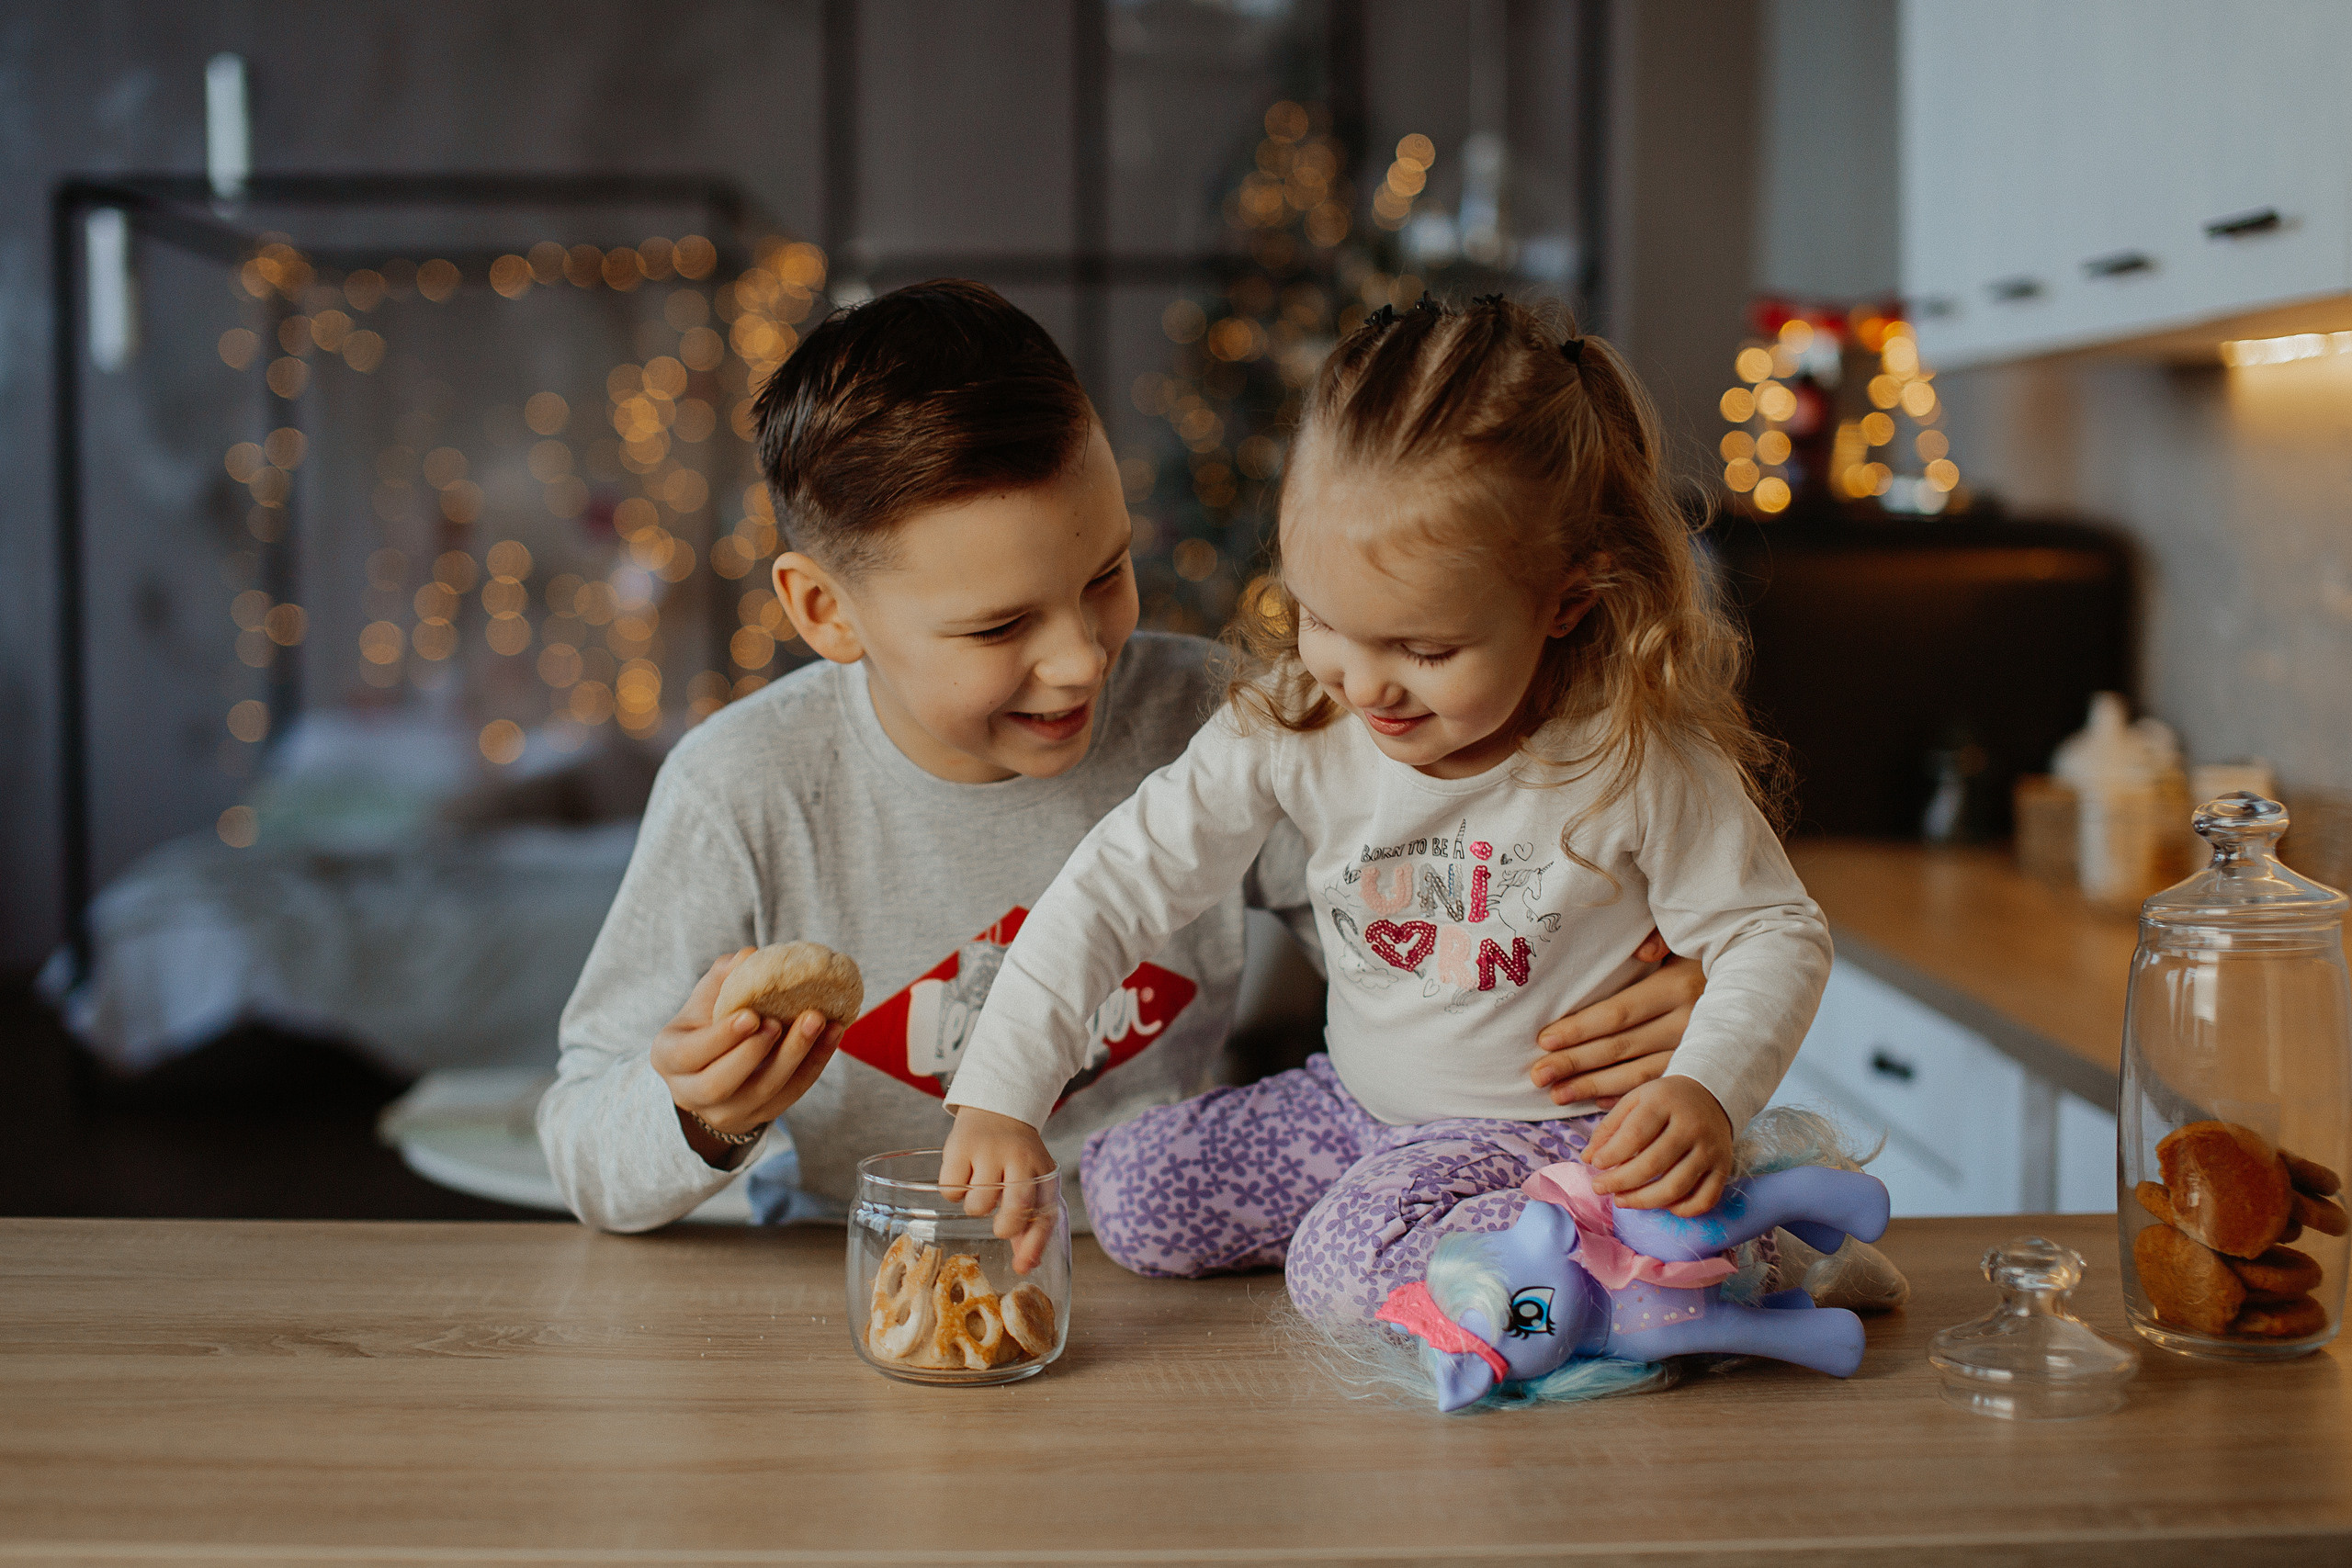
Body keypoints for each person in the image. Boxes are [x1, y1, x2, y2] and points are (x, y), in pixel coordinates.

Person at [538, 281, 1704, 1234]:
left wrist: (1645, 981)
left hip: (1184, 1269)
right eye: (998, 628)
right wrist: (698, 1116)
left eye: (1104, 577)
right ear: (824, 612)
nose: (1081, 663)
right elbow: (584, 1154)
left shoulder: (1224, 720)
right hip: (853, 1279)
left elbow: (1449, 924)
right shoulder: (742, 788)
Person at [942, 295, 1832, 1321]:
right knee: (1131, 1195)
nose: (1364, 688)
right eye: (1321, 619)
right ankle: (1538, 1249)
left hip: (1556, 1140)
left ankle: (1695, 1256)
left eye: (1424, 650)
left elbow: (1773, 931)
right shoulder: (1296, 721)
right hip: (1357, 1107)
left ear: (1565, 600)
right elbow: (1113, 889)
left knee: (1336, 1273)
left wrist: (1706, 1091)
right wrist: (1002, 1096)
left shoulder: (1630, 758)